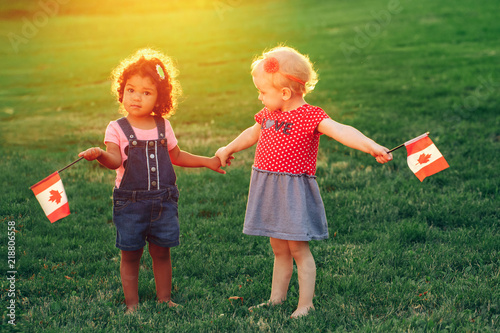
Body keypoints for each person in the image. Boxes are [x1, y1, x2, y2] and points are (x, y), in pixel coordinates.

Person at [216, 46, 392, 318]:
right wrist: (228, 148)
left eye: (263, 91)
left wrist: (371, 146)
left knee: (298, 248)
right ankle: (277, 298)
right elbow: (252, 134)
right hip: (269, 187)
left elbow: (341, 131)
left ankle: (305, 304)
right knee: (278, 247)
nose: (259, 96)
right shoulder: (269, 114)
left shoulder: (311, 116)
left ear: (285, 93)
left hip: (293, 191)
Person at [79, 48, 224, 313]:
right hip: (130, 204)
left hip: (164, 202)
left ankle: (164, 299)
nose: (137, 97)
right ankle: (132, 304)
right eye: (131, 90)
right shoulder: (117, 127)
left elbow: (176, 155)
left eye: (147, 92)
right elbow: (114, 159)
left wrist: (208, 160)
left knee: (161, 252)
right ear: (122, 91)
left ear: (160, 98)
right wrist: (99, 154)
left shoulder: (162, 126)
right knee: (131, 254)